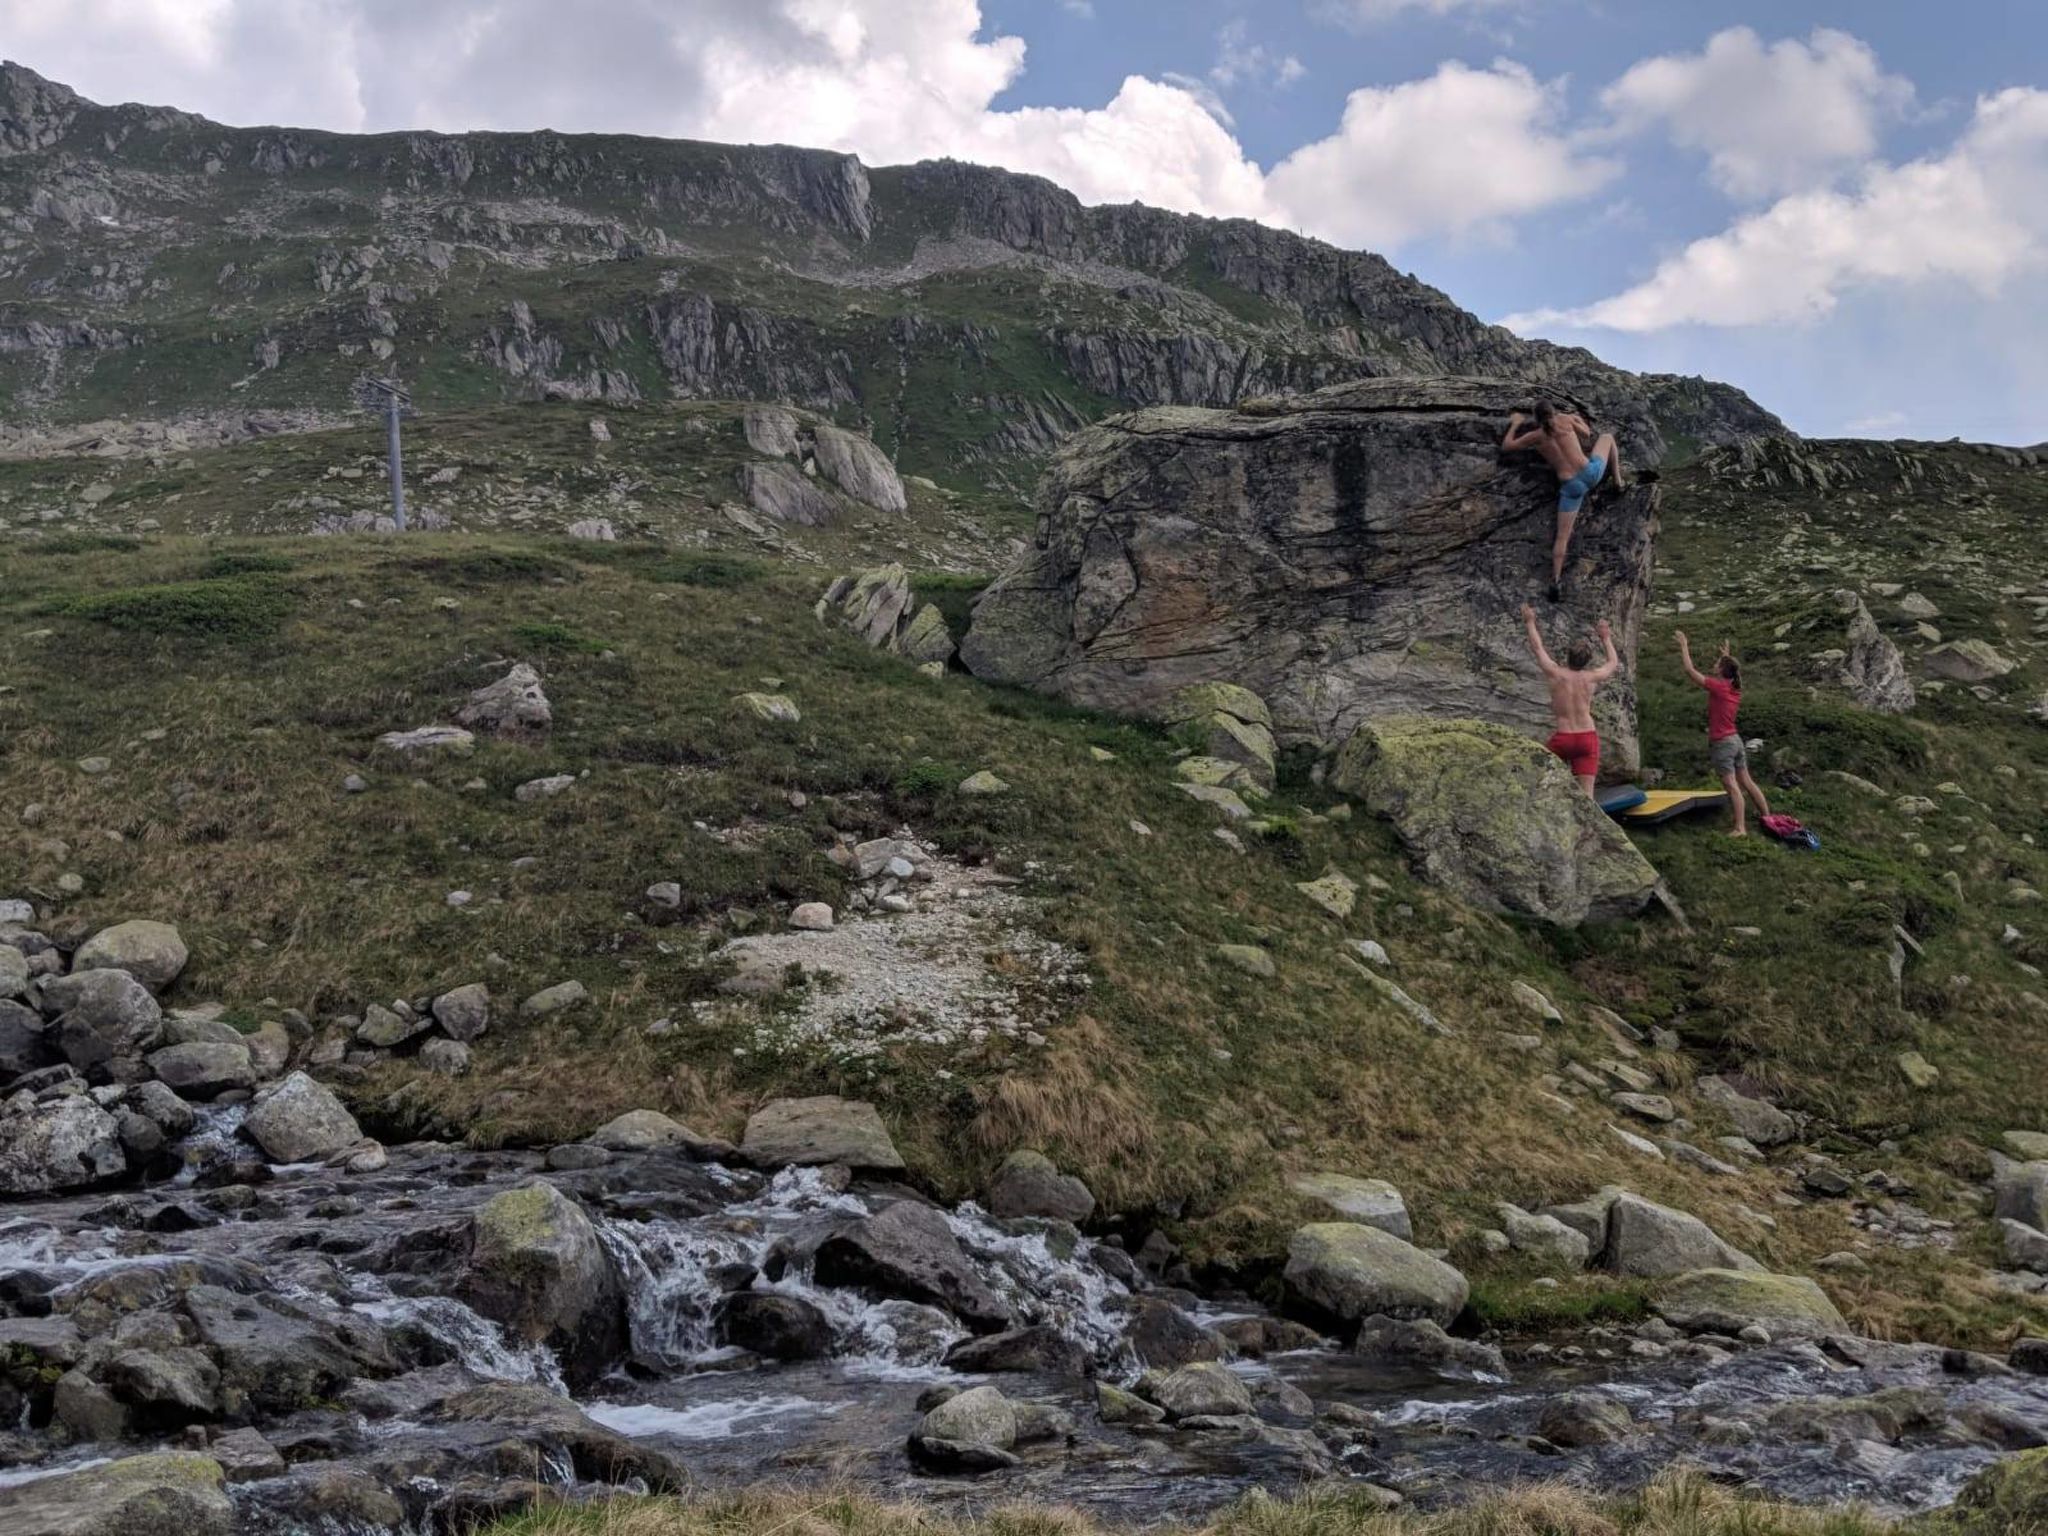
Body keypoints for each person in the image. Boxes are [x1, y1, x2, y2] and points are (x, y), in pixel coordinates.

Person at [1502, 401, 1626, 604]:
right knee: (1607, 437)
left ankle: (1556, 581)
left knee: (1562, 537)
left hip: (1571, 486)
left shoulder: (1536, 436)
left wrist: (1515, 423)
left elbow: (1507, 446)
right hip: (1590, 473)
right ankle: (1619, 481)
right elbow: (1587, 434)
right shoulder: (1566, 420)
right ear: (1553, 412)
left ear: (1537, 418)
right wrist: (1576, 418)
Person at [1676, 630, 1770, 837]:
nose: (1715, 665)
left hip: (1723, 743)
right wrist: (1726, 654)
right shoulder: (1735, 687)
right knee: (1746, 781)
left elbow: (1690, 670)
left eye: (1718, 663)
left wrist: (1684, 645)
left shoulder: (1718, 688)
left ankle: (1740, 828)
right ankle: (1767, 816)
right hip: (1735, 740)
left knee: (1732, 785)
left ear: (1721, 670)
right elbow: (1734, 669)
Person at [1522, 602, 1618, 796]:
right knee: (1588, 796)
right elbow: (1612, 663)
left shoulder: (1556, 674)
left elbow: (1538, 648)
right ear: (1587, 660)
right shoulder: (1591, 678)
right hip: (1587, 738)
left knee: (1538, 779)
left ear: (1568, 657)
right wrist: (1606, 638)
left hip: (1564, 738)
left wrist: (1530, 622)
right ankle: (1590, 825)